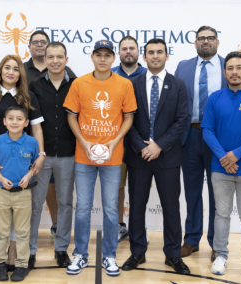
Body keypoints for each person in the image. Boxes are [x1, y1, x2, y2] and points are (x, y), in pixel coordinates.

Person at [64, 40, 137, 276]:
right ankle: (81, 254)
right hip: (84, 156)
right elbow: (72, 117)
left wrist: (114, 142)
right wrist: (84, 143)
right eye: (99, 54)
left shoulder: (124, 84)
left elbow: (128, 118)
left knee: (110, 210)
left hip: (113, 157)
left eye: (107, 55)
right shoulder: (79, 83)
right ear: (92, 57)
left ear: (113, 58)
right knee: (83, 207)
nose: (103, 59)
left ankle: (109, 256)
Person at [122, 39, 190, 275]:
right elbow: (127, 120)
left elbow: (182, 120)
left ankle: (173, 255)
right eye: (150, 52)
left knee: (171, 208)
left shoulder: (178, 85)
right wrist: (142, 146)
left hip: (168, 157)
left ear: (167, 55)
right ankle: (137, 252)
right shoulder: (132, 84)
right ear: (144, 56)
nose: (155, 56)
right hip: (138, 156)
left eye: (159, 52)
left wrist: (159, 145)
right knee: (137, 207)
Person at [0, 55, 45, 271]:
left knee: (19, 210)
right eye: (6, 68)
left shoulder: (29, 97)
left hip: (22, 159)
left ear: (20, 74)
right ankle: (0, 255)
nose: (11, 72)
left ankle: (14, 253)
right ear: (0, 71)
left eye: (15, 69)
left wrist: (41, 154)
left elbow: (36, 128)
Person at [202, 52, 241, 279]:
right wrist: (224, 158)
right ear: (225, 72)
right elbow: (207, 131)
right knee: (222, 214)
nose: (234, 72)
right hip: (220, 169)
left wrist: (234, 155)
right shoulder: (215, 98)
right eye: (230, 68)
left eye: (239, 68)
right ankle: (221, 256)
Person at [174, 26, 227, 261]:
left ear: (217, 42)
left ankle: (217, 243)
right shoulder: (183, 66)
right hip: (190, 136)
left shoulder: (228, 66)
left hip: (218, 139)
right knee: (192, 192)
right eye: (201, 38)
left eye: (210, 38)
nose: (205, 42)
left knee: (218, 194)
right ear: (195, 43)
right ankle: (191, 239)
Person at [28, 42, 76, 269]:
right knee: (35, 204)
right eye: (51, 57)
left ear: (67, 59)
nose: (55, 61)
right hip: (41, 155)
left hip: (68, 154)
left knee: (65, 203)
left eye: (59, 56)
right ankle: (30, 251)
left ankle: (61, 249)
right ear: (44, 60)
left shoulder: (77, 85)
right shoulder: (34, 86)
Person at [0, 105, 39, 282]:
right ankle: (0, 263)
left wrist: (28, 175)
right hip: (2, 193)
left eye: (19, 119)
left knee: (22, 232)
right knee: (2, 232)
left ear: (26, 123)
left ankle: (21, 264)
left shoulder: (32, 142)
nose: (15, 122)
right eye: (10, 118)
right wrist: (0, 178)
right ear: (4, 122)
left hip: (23, 194)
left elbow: (34, 165)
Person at [111, 35, 147, 243]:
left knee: (139, 189)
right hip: (116, 142)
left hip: (141, 143)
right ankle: (119, 226)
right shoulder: (110, 74)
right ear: (119, 53)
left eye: (131, 48)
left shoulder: (147, 74)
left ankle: (138, 230)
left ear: (138, 51)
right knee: (118, 188)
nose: (128, 52)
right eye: (124, 49)